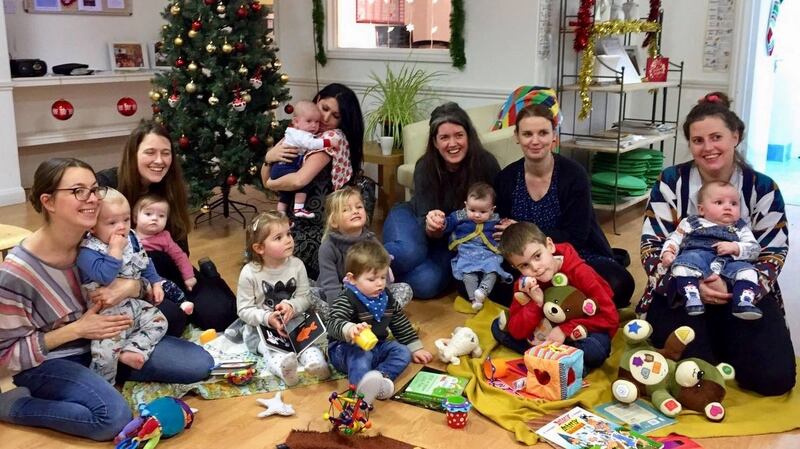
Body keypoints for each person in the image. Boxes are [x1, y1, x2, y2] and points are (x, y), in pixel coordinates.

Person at [0, 158, 213, 441]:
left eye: (94, 189)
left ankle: (105, 375)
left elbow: (142, 282)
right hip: (51, 361)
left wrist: (131, 287)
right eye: (78, 191)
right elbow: (7, 355)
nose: (92, 199)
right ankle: (16, 406)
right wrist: (77, 330)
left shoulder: (98, 240)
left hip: (111, 338)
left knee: (199, 364)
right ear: (48, 201)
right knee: (111, 418)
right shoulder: (17, 273)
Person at [640, 92, 794, 396]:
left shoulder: (762, 187)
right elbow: (651, 245)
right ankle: (713, 341)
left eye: (716, 137)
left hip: (743, 290)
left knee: (775, 379)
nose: (708, 148)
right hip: (679, 289)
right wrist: (689, 285)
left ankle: (725, 336)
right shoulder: (670, 181)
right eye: (698, 141)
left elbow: (774, 251)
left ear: (735, 136)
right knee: (692, 376)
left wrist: (732, 286)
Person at [97, 120, 238, 335]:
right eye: (150, 152)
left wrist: (186, 277)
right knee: (171, 321)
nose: (159, 161)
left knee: (222, 313)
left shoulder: (171, 188)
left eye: (166, 153)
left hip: (170, 266)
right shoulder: (107, 185)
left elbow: (180, 245)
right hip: (130, 274)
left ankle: (211, 276)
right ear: (133, 154)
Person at [493, 101, 635, 309]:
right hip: (527, 263)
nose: (535, 141)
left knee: (620, 284)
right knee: (490, 284)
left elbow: (577, 235)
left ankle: (550, 304)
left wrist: (523, 228)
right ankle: (569, 305)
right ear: (517, 137)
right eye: (527, 134)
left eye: (543, 133)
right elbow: (503, 235)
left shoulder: (574, 174)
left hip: (578, 254)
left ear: (553, 136)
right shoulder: (506, 178)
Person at [383, 102, 501, 299]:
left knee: (425, 284)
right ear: (435, 142)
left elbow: (496, 212)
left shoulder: (487, 164)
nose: (452, 143)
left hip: (453, 241)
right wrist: (432, 226)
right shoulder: (425, 166)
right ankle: (356, 275)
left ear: (469, 136)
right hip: (413, 218)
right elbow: (424, 221)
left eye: (459, 135)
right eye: (444, 137)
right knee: (407, 253)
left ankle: (383, 281)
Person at [262, 83, 364, 280]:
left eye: (335, 116)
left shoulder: (331, 137)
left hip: (318, 224)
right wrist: (269, 157)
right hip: (293, 219)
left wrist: (270, 184)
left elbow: (299, 180)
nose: (326, 118)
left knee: (274, 259)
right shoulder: (301, 131)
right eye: (324, 109)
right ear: (317, 101)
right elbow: (267, 175)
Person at [491, 222, 618, 370]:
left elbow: (611, 318)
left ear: (550, 245)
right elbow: (516, 331)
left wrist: (565, 330)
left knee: (594, 350)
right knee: (497, 327)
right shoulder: (524, 285)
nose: (535, 268)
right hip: (545, 335)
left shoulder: (581, 272)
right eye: (524, 265)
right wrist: (536, 304)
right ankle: (566, 363)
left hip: (581, 331)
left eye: (537, 256)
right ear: (515, 267)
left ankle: (554, 361)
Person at [76, 188, 169, 383]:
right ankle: (104, 387)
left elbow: (144, 261)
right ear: (92, 227)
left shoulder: (133, 238)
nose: (122, 228)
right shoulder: (88, 251)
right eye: (112, 223)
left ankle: (132, 350)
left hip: (133, 304)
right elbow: (106, 277)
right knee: (105, 355)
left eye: (126, 220)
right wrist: (115, 250)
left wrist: (156, 282)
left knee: (159, 321)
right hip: (105, 316)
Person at [326, 240, 433, 405]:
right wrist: (350, 329)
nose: (380, 283)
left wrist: (414, 347)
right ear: (352, 279)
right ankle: (359, 396)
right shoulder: (348, 298)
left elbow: (399, 321)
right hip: (345, 351)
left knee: (402, 352)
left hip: (376, 345)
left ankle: (380, 380)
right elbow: (333, 322)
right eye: (372, 279)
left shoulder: (386, 297)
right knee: (362, 356)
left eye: (383, 277)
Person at [231, 211, 330, 386]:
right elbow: (244, 310)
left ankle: (316, 365)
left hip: (295, 322)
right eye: (278, 237)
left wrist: (292, 305)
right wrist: (267, 317)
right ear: (260, 248)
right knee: (272, 351)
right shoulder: (249, 273)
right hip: (260, 330)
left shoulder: (297, 265)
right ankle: (286, 372)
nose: (288, 240)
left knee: (308, 345)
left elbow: (305, 297)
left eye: (289, 234)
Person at [660, 180, 762, 319]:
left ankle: (743, 301)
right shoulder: (691, 222)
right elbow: (674, 239)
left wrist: (736, 247)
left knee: (749, 271)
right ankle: (692, 296)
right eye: (719, 203)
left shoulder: (741, 228)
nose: (728, 207)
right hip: (697, 258)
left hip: (729, 262)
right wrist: (668, 252)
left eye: (733, 203)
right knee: (682, 264)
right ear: (701, 209)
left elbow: (755, 249)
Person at [313, 186, 412, 317]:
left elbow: (383, 275)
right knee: (308, 295)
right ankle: (351, 321)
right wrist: (341, 314)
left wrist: (378, 299)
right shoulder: (328, 247)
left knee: (405, 289)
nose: (355, 211)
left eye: (359, 207)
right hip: (340, 298)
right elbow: (331, 287)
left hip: (370, 295)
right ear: (334, 221)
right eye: (346, 210)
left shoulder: (372, 241)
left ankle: (377, 316)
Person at [438, 182, 511, 311]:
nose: (477, 215)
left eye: (483, 211)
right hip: (467, 252)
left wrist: (508, 226)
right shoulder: (461, 215)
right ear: (466, 205)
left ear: (492, 210)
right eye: (472, 210)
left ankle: (483, 291)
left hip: (488, 253)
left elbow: (505, 228)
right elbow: (449, 223)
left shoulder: (495, 219)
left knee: (494, 269)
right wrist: (441, 222)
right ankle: (473, 299)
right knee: (467, 273)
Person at [272, 100, 343, 219]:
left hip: (281, 167)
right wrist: (329, 142)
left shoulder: (293, 132)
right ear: (296, 122)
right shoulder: (300, 135)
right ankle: (299, 208)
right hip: (285, 166)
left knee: (285, 195)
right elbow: (310, 144)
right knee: (303, 185)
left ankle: (282, 215)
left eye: (316, 121)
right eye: (309, 121)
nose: (314, 125)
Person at [134, 194, 196, 315]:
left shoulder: (164, 237)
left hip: (160, 277)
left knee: (169, 287)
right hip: (137, 279)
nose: (155, 218)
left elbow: (180, 256)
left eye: (161, 216)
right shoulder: (129, 235)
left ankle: (182, 303)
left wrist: (188, 276)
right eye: (148, 214)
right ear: (135, 217)